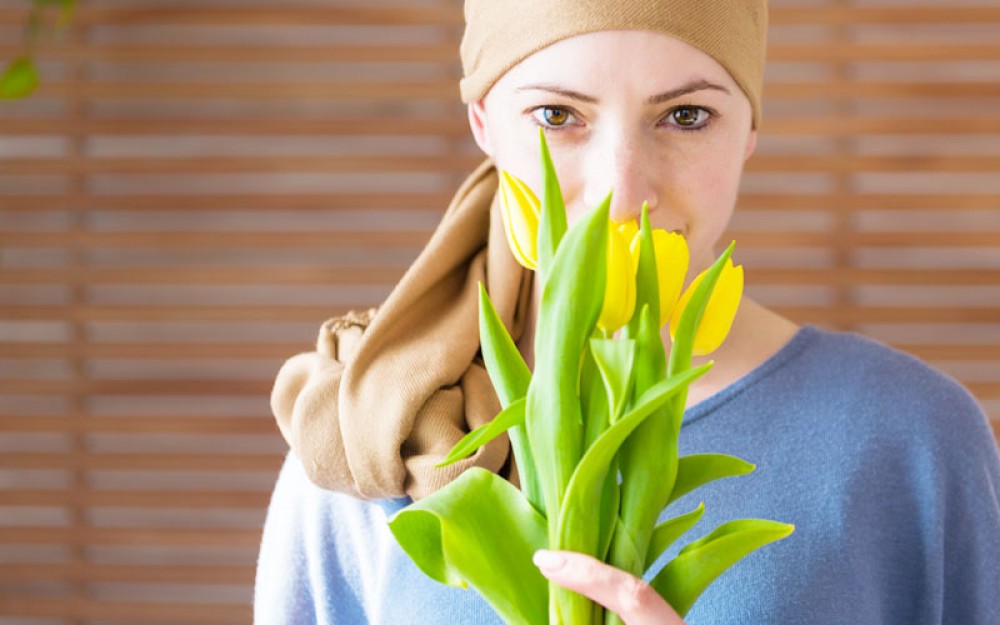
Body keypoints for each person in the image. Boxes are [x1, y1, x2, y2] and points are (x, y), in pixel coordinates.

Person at [254, 1, 1000, 623]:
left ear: (751, 130)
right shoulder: (365, 436)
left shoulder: (913, 440)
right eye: (557, 114)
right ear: (483, 122)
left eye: (685, 114)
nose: (622, 189)